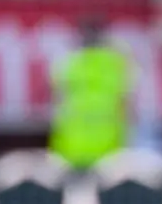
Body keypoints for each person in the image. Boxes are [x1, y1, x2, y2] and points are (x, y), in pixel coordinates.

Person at [51, 17, 134, 170]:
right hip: (109, 148)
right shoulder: (115, 65)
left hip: (72, 148)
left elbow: (57, 100)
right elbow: (127, 105)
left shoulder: (69, 63)